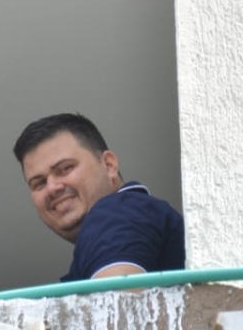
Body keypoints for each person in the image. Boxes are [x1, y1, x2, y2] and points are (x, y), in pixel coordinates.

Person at [13, 112, 185, 282]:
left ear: (109, 165)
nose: (51, 188)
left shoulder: (117, 212)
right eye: (39, 183)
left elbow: (116, 305)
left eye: (65, 168)